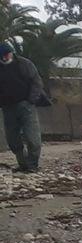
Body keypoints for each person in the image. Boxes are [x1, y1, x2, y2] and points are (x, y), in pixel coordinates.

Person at [0, 42, 47, 173]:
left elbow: (37, 82)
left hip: (26, 106)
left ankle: (32, 165)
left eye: (6, 55)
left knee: (33, 138)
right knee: (13, 140)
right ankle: (23, 164)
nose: (4, 58)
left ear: (11, 53)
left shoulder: (24, 64)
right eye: (1, 56)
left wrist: (31, 100)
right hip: (7, 108)